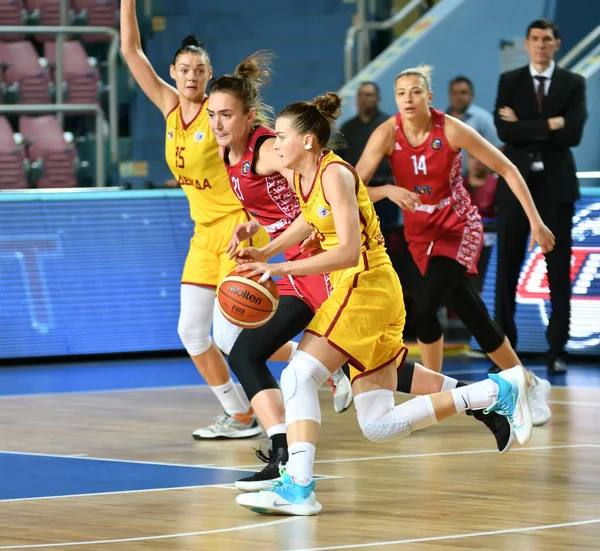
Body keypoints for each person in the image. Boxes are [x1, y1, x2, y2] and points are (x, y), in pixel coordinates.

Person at [233, 92, 533, 516]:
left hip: (365, 286)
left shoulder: (334, 173)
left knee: (300, 374)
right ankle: (493, 391)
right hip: (365, 291)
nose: (274, 143)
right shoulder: (304, 176)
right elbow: (309, 221)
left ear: (307, 142)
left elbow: (349, 253)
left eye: (280, 136)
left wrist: (281, 269)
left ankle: (297, 486)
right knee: (378, 425)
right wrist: (268, 250)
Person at [355, 65, 554, 427]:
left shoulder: (449, 128)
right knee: (468, 310)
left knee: (425, 306)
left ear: (429, 97)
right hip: (420, 234)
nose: (408, 99)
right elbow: (350, 187)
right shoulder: (387, 133)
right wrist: (386, 190)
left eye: (415, 92)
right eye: (401, 93)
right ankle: (527, 382)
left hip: (457, 227)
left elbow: (507, 169)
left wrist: (536, 221)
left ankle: (435, 397)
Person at [121, 0, 279, 440]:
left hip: (239, 229)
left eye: (199, 70)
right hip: (203, 234)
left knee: (232, 336)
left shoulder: (218, 116)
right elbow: (131, 52)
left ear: (209, 76)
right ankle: (240, 413)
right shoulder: (170, 107)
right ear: (172, 71)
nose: (191, 76)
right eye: (185, 68)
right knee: (192, 332)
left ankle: (326, 367)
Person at [205, 51, 353, 489]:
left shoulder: (268, 148)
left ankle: (484, 395)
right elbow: (272, 204)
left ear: (249, 116)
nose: (217, 123)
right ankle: (282, 452)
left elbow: (306, 189)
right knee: (245, 353)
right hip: (290, 263)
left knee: (380, 375)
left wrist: (300, 231)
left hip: (315, 265)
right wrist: (252, 225)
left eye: (226, 115)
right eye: (213, 114)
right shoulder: (227, 150)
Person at [494, 19, 588, 374]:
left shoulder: (573, 82)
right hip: (515, 186)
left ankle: (556, 351)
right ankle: (505, 351)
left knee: (558, 270)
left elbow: (574, 133)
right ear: (527, 43)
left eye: (547, 40)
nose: (540, 45)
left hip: (557, 188)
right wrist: (551, 123)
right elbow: (505, 130)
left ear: (556, 44)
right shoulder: (510, 81)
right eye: (534, 39)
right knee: (507, 270)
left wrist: (525, 127)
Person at [338, 82, 398, 226]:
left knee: (389, 238)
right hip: (358, 191)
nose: (364, 98)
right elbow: (338, 158)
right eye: (361, 95)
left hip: (387, 191)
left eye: (369, 95)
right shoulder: (348, 128)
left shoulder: (389, 125)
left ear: (378, 99)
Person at [446, 76, 502, 175]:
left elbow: (498, 150)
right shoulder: (440, 119)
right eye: (455, 93)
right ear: (450, 96)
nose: (459, 97)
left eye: (463, 93)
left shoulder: (483, 119)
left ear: (471, 95)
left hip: (475, 183)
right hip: (446, 182)